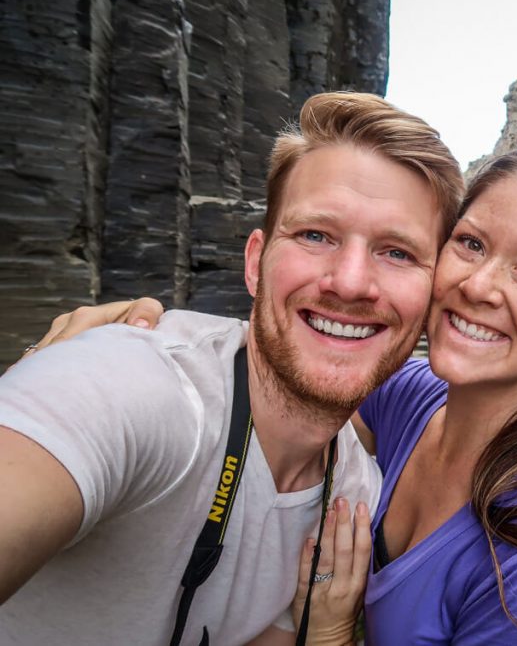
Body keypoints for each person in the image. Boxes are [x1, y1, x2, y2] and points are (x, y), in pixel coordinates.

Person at [49, 150, 517, 645]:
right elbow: (307, 351)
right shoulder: (416, 399)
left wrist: (334, 632)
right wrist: (142, 334)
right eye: (471, 243)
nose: (480, 284)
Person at [0, 91, 465, 645]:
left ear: (433, 294)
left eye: (397, 253)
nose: (350, 281)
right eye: (316, 235)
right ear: (254, 262)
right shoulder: (136, 384)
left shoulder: (351, 497)